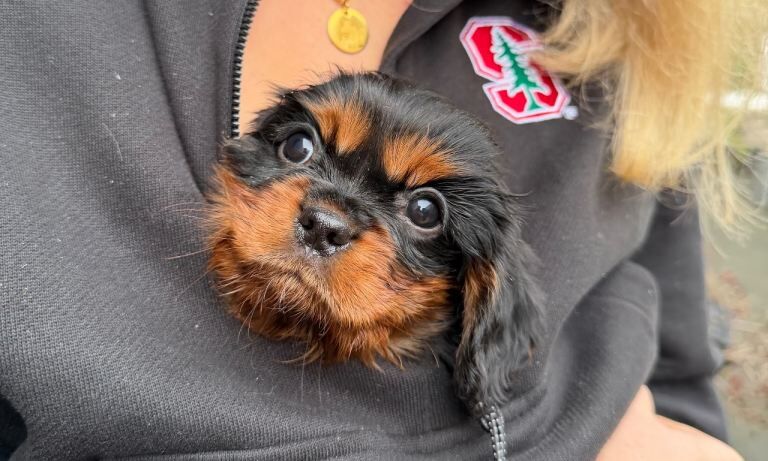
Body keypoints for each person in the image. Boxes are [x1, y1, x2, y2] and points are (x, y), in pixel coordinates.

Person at [0, 1, 763, 459]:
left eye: (423, 213)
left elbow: (680, 385)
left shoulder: (612, 39)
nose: (327, 215)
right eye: (297, 148)